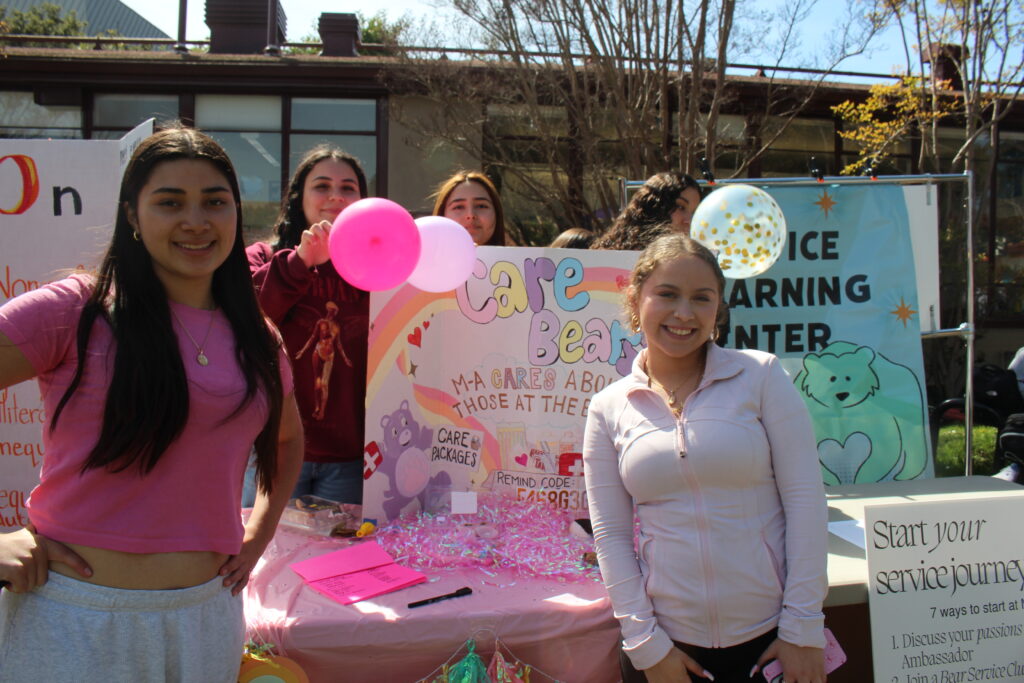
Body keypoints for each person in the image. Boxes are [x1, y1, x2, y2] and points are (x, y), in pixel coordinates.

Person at [0, 127, 303, 681]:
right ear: (132, 216)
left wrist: (259, 533)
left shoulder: (258, 339)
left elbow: (286, 441)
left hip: (206, 620)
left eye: (215, 202)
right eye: (170, 202)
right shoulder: (77, 310)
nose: (196, 221)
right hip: (74, 620)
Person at [583, 233, 827, 683]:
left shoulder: (761, 376)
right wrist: (645, 645)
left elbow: (806, 503)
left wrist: (803, 626)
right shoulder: (607, 407)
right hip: (667, 650)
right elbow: (611, 537)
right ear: (635, 299)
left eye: (701, 298)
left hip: (771, 642)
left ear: (718, 309)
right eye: (667, 294)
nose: (684, 313)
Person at [244, 144, 369, 506]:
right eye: (322, 186)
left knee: (342, 545)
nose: (336, 196)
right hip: (271, 450)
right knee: (261, 545)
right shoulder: (262, 256)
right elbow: (245, 320)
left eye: (348, 188)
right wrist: (300, 262)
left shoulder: (376, 268)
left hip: (350, 458)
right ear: (300, 197)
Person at [592, 171, 703, 250]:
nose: (689, 221)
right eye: (681, 207)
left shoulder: (696, 260)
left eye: (695, 212)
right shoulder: (604, 257)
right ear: (654, 206)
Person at [433, 170, 507, 246]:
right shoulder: (426, 254)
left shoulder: (515, 254)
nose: (470, 215)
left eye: (481, 206)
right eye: (459, 207)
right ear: (442, 215)